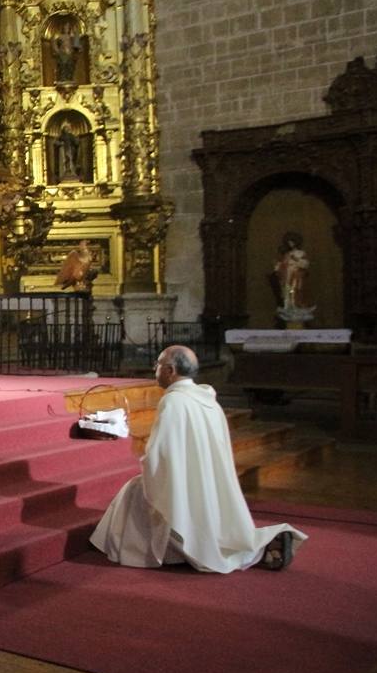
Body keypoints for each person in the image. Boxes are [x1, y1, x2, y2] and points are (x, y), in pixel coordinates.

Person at [91, 346, 306, 573]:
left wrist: (149, 468)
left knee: (134, 491)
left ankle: (156, 552)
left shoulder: (174, 401)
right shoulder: (208, 400)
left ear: (170, 370)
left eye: (158, 365)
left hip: (185, 486)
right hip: (210, 484)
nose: (155, 369)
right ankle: (262, 547)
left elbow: (159, 454)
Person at [273, 232, 310, 311]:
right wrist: (278, 267)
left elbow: (305, 264)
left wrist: (296, 259)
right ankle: (289, 306)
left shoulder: (301, 253)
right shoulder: (287, 254)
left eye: (292, 242)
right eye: (289, 242)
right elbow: (283, 264)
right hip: (287, 275)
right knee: (288, 290)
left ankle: (297, 306)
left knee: (296, 290)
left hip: (297, 275)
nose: (290, 244)